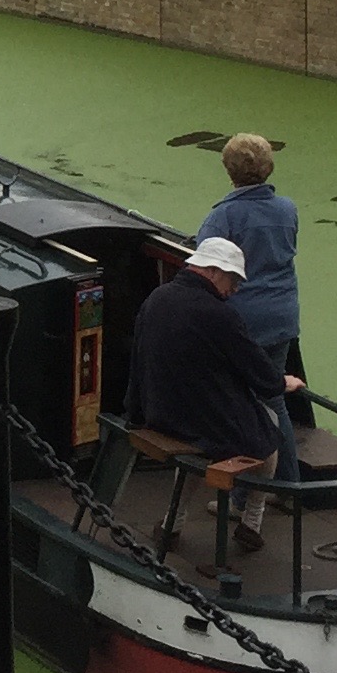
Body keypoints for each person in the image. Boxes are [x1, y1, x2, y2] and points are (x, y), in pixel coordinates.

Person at [124, 236, 303, 558]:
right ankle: (252, 520)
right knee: (269, 427)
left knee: (199, 445)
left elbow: (138, 358)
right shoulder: (218, 314)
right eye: (233, 280)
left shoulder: (157, 297)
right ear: (213, 271)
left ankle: (172, 524)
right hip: (193, 419)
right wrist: (282, 382)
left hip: (157, 411)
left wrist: (135, 411)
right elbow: (257, 370)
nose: (234, 290)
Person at [195, 132, 302, 485]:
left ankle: (243, 492)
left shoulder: (222, 217)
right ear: (269, 168)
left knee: (238, 404)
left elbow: (207, 266)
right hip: (282, 315)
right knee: (274, 400)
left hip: (241, 320)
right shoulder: (287, 210)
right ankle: (288, 484)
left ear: (229, 170)